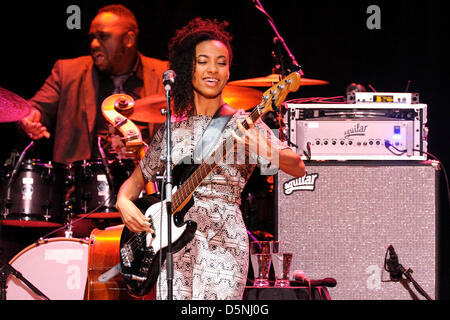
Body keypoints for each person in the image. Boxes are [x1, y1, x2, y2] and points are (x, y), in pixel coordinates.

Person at [115, 17, 306, 300]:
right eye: (203, 61)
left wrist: (265, 149)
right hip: (172, 246)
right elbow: (135, 182)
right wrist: (123, 201)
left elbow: (298, 167)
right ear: (187, 68)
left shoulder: (245, 122)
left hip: (223, 240)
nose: (213, 69)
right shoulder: (173, 130)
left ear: (229, 71)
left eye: (221, 62)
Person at [20, 4, 167, 165]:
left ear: (129, 39)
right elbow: (35, 107)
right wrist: (30, 118)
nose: (94, 44)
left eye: (103, 37)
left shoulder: (165, 73)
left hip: (149, 183)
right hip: (84, 183)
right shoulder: (67, 71)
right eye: (92, 38)